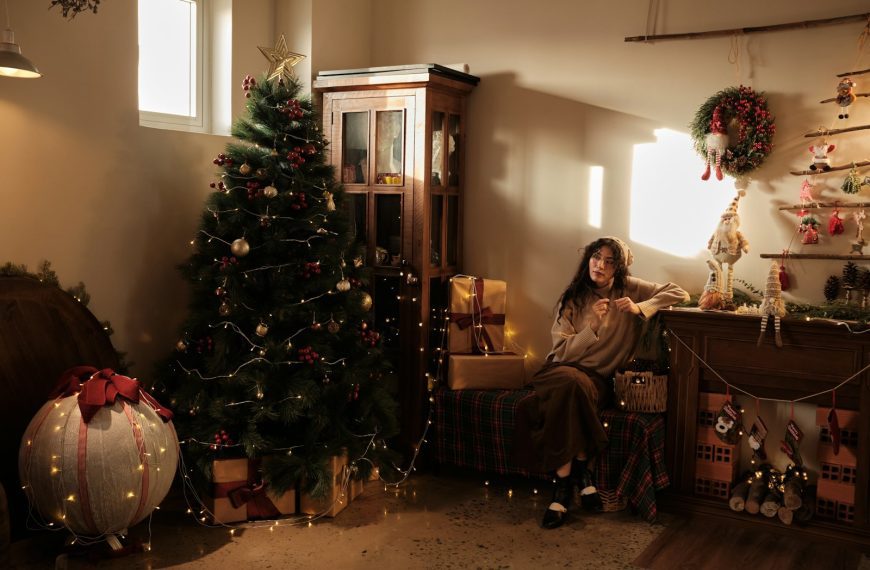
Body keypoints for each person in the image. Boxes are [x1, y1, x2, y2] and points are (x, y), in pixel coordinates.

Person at [530, 236, 689, 529]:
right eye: (595, 257)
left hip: (597, 381)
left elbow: (679, 292)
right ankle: (573, 478)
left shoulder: (628, 289)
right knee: (570, 383)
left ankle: (567, 484)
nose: (599, 265)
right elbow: (560, 352)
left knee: (575, 390)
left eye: (608, 260)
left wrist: (642, 307)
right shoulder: (574, 298)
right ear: (587, 259)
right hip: (560, 371)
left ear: (618, 267)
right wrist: (590, 326)